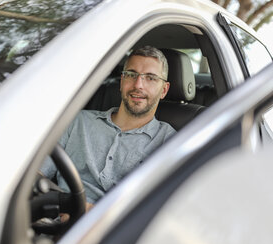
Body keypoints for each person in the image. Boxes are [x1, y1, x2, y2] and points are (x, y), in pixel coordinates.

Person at [41, 46, 176, 211]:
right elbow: (36, 174)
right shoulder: (78, 120)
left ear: (164, 90)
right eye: (131, 75)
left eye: (150, 78)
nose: (138, 85)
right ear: (121, 81)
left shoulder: (171, 143)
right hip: (51, 220)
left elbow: (157, 211)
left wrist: (85, 211)